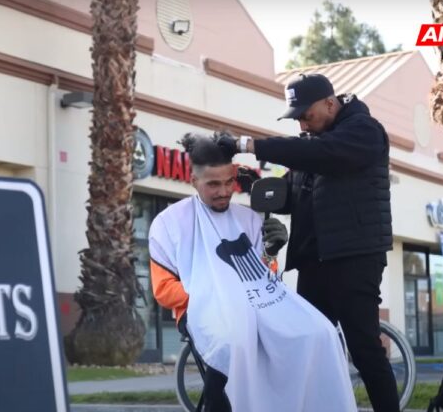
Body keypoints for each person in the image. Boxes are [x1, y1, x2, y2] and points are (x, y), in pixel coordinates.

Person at [217, 73, 400, 412]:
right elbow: (286, 194)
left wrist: (247, 145)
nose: (302, 123)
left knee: (364, 349)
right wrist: (245, 181)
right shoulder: (313, 145)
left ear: (330, 103)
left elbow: (322, 154)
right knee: (304, 345)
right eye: (297, 117)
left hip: (354, 259)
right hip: (315, 263)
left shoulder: (363, 132)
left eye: (306, 114)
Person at [149, 131, 357, 412]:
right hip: (202, 309)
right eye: (213, 184)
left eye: (228, 182)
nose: (224, 191)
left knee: (320, 334)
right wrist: (213, 293)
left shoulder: (248, 218)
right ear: (194, 180)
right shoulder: (170, 224)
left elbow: (265, 274)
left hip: (260, 304)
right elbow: (163, 291)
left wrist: (271, 251)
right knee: (233, 343)